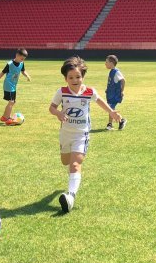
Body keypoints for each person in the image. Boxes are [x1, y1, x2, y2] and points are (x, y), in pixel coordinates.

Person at [49, 56, 121, 212]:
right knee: (65, 161)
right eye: (71, 77)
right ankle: (71, 182)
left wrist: (112, 112)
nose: (75, 80)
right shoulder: (61, 92)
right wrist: (58, 114)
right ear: (65, 78)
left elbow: (100, 101)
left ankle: (70, 196)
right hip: (65, 134)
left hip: (82, 134)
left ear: (83, 76)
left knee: (76, 164)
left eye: (78, 77)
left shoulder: (89, 92)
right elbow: (52, 108)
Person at [0, 48, 31, 125]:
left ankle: (4, 117)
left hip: (13, 86)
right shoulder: (10, 64)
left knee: (13, 102)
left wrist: (27, 76)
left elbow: (23, 71)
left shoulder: (22, 63)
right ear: (17, 55)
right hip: (8, 85)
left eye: (24, 59)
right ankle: (8, 118)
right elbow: (2, 73)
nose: (22, 60)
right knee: (11, 101)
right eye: (22, 58)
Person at [104, 54, 127, 131]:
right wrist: (108, 89)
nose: (105, 63)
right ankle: (118, 122)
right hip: (110, 94)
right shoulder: (111, 72)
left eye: (106, 62)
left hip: (115, 95)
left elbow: (123, 80)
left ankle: (113, 123)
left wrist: (121, 91)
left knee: (110, 108)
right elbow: (112, 83)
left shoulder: (116, 72)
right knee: (110, 108)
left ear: (111, 63)